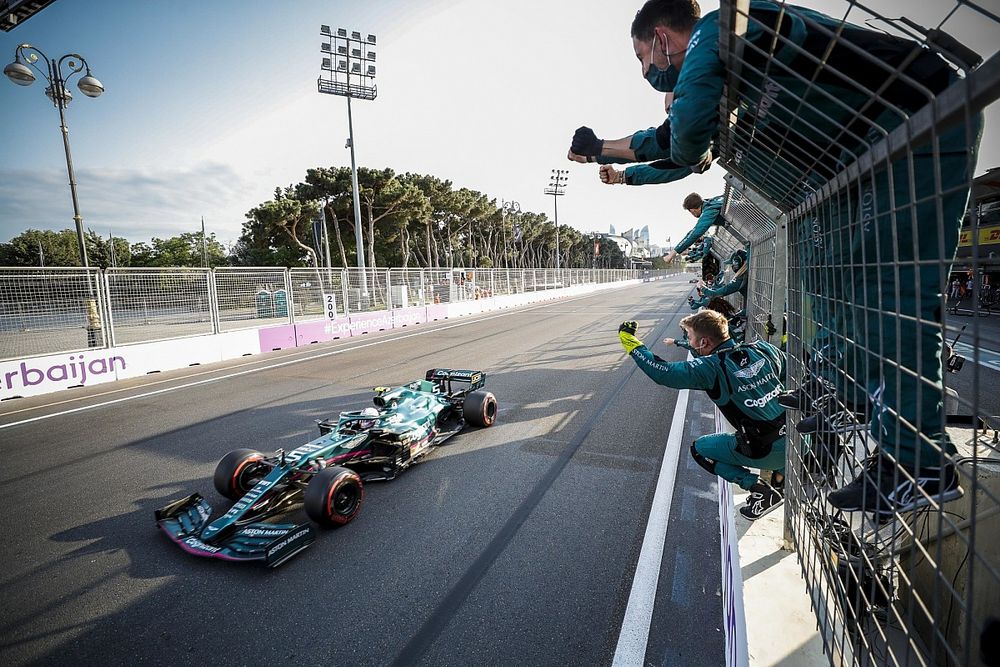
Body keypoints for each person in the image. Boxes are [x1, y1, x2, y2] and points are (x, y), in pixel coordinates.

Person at [630, 0, 979, 515]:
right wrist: (621, 160)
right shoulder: (731, 79)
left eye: (642, 58)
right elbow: (687, 150)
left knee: (891, 295)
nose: (649, 75)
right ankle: (846, 389)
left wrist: (620, 152)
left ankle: (917, 463)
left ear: (661, 38)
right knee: (837, 284)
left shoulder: (714, 38)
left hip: (916, 119)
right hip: (869, 145)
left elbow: (684, 141)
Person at [619, 311, 788, 520]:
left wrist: (629, 340)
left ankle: (760, 491)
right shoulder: (764, 349)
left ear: (704, 341)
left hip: (767, 451)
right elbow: (789, 375)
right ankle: (783, 479)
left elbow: (663, 372)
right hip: (800, 440)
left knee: (699, 450)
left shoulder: (711, 367)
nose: (689, 341)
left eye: (689, 337)